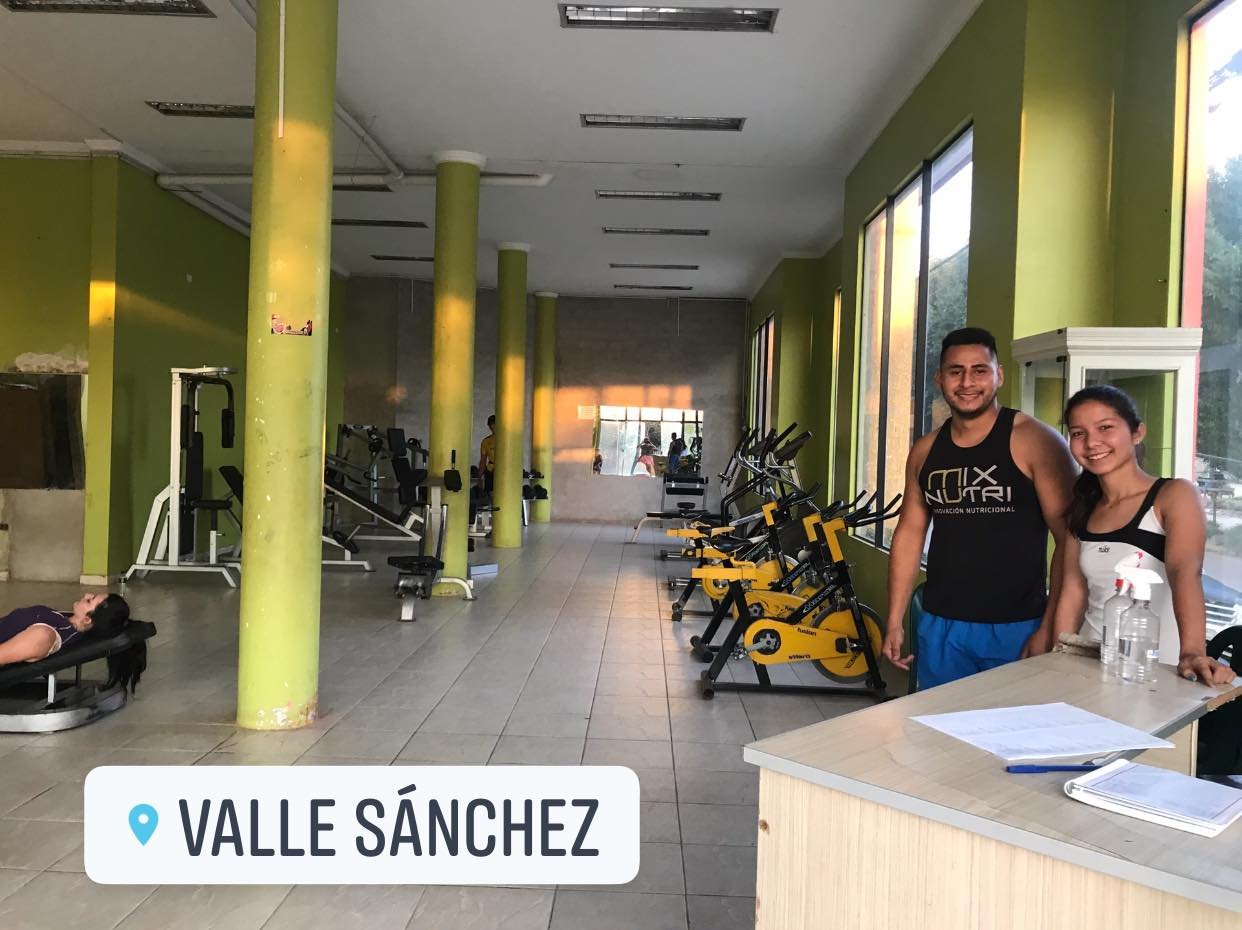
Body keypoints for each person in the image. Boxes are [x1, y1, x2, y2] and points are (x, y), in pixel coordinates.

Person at [881, 327, 1077, 688]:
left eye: (979, 370)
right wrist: (894, 619)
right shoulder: (925, 451)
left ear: (998, 375)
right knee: (938, 723)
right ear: (940, 378)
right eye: (956, 371)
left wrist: (1050, 627)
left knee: (1011, 723)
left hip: (1018, 625)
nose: (967, 382)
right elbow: (909, 533)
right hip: (941, 624)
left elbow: (1069, 539)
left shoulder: (1036, 441)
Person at [1045, 385, 1232, 685]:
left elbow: (1186, 573)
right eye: (1078, 433)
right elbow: (1073, 594)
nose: (1091, 442)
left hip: (1153, 669)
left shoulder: (1173, 495)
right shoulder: (1082, 506)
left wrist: (1193, 652)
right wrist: (1057, 661)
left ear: (1137, 433)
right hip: (1088, 665)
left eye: (1105, 427)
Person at [0, 592, 146, 691]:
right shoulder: (64, 620)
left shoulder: (44, 636)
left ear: (87, 619)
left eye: (89, 600)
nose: (86, 594)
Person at [478, 414, 497, 496]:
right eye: (490, 425)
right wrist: (480, 476)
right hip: (490, 469)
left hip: (504, 470)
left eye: (494, 424)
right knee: (490, 494)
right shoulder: (486, 441)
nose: (492, 427)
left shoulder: (507, 440)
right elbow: (483, 460)